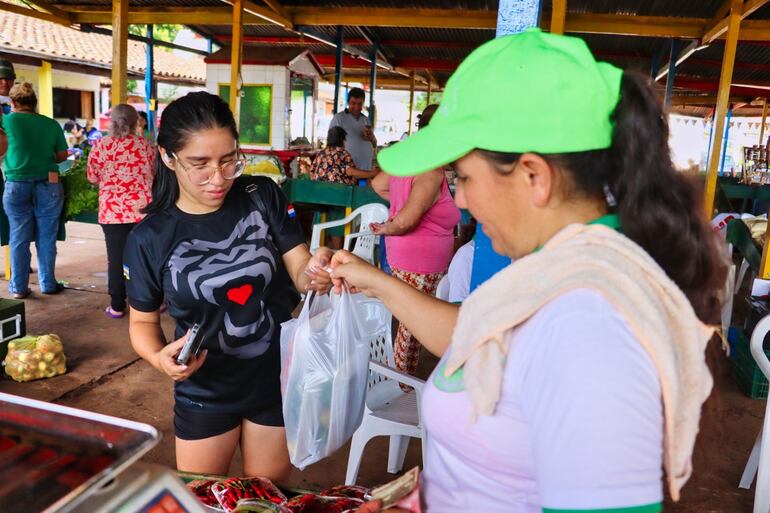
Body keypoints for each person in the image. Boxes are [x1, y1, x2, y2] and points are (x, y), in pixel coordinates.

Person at [337, 30, 727, 513]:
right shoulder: (557, 273)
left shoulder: (589, 325)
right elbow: (477, 335)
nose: (459, 199)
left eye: (463, 177)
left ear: (533, 177)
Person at [124, 91, 333, 480]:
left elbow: (300, 267)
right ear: (168, 157)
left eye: (229, 160)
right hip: (204, 392)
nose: (218, 178)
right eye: (199, 164)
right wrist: (158, 359)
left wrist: (318, 271)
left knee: (265, 498)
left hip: (276, 379)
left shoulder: (262, 195)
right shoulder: (149, 238)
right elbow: (141, 325)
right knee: (205, 499)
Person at [369, 104, 460, 378]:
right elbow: (408, 220)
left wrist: (401, 203)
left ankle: (399, 381)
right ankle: (402, 386)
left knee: (409, 323)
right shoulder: (431, 171)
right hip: (420, 261)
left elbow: (378, 185)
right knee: (413, 327)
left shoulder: (408, 162)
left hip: (404, 256)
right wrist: (391, 225)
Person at [87, 104, 155, 318]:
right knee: (145, 259)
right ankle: (151, 304)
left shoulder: (100, 146)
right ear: (137, 122)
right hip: (144, 212)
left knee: (116, 260)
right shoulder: (147, 147)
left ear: (112, 122)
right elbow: (157, 175)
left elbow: (92, 177)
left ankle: (117, 306)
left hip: (111, 212)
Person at [1, 83, 68, 299]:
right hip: (49, 183)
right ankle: (48, 283)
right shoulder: (50, 124)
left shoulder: (5, 121)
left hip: (16, 184)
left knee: (18, 236)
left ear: (13, 103)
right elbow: (61, 156)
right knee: (47, 236)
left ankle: (19, 287)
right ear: (34, 103)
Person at [329, 88, 376, 171]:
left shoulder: (365, 120)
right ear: (348, 102)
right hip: (348, 170)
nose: (356, 107)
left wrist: (371, 137)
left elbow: (374, 143)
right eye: (353, 103)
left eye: (359, 104)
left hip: (366, 168)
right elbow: (331, 146)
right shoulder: (339, 118)